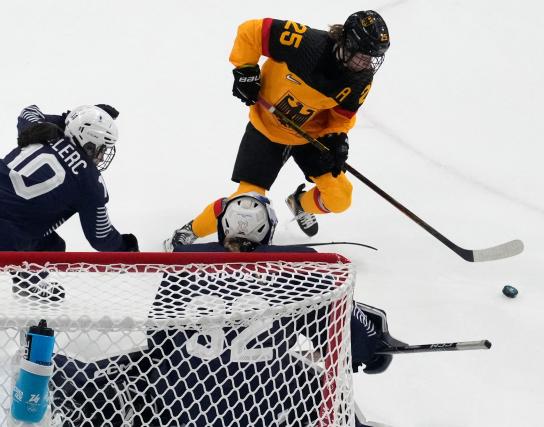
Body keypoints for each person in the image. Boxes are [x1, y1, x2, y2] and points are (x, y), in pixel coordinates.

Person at [167, 192, 403, 426]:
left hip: (180, 411)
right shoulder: (297, 266)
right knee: (319, 385)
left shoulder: (181, 263)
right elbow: (349, 337)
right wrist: (373, 347)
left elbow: (158, 338)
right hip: (260, 413)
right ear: (268, 229)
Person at [165, 10, 390, 249]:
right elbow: (251, 31)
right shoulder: (306, 43)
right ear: (347, 42)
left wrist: (337, 141)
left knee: (340, 198)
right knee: (246, 205)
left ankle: (300, 203)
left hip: (309, 138)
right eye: (363, 56)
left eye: (373, 58)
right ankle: (191, 230)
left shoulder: (360, 79)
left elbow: (341, 118)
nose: (367, 64)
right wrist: (246, 71)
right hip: (267, 130)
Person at [1, 104, 139, 302]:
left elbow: (28, 112)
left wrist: (69, 119)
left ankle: (27, 285)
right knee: (49, 249)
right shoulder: (89, 182)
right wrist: (126, 248)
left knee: (52, 246)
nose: (101, 156)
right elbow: (100, 236)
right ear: (90, 145)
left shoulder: (45, 130)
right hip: (7, 234)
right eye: (101, 149)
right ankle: (28, 286)